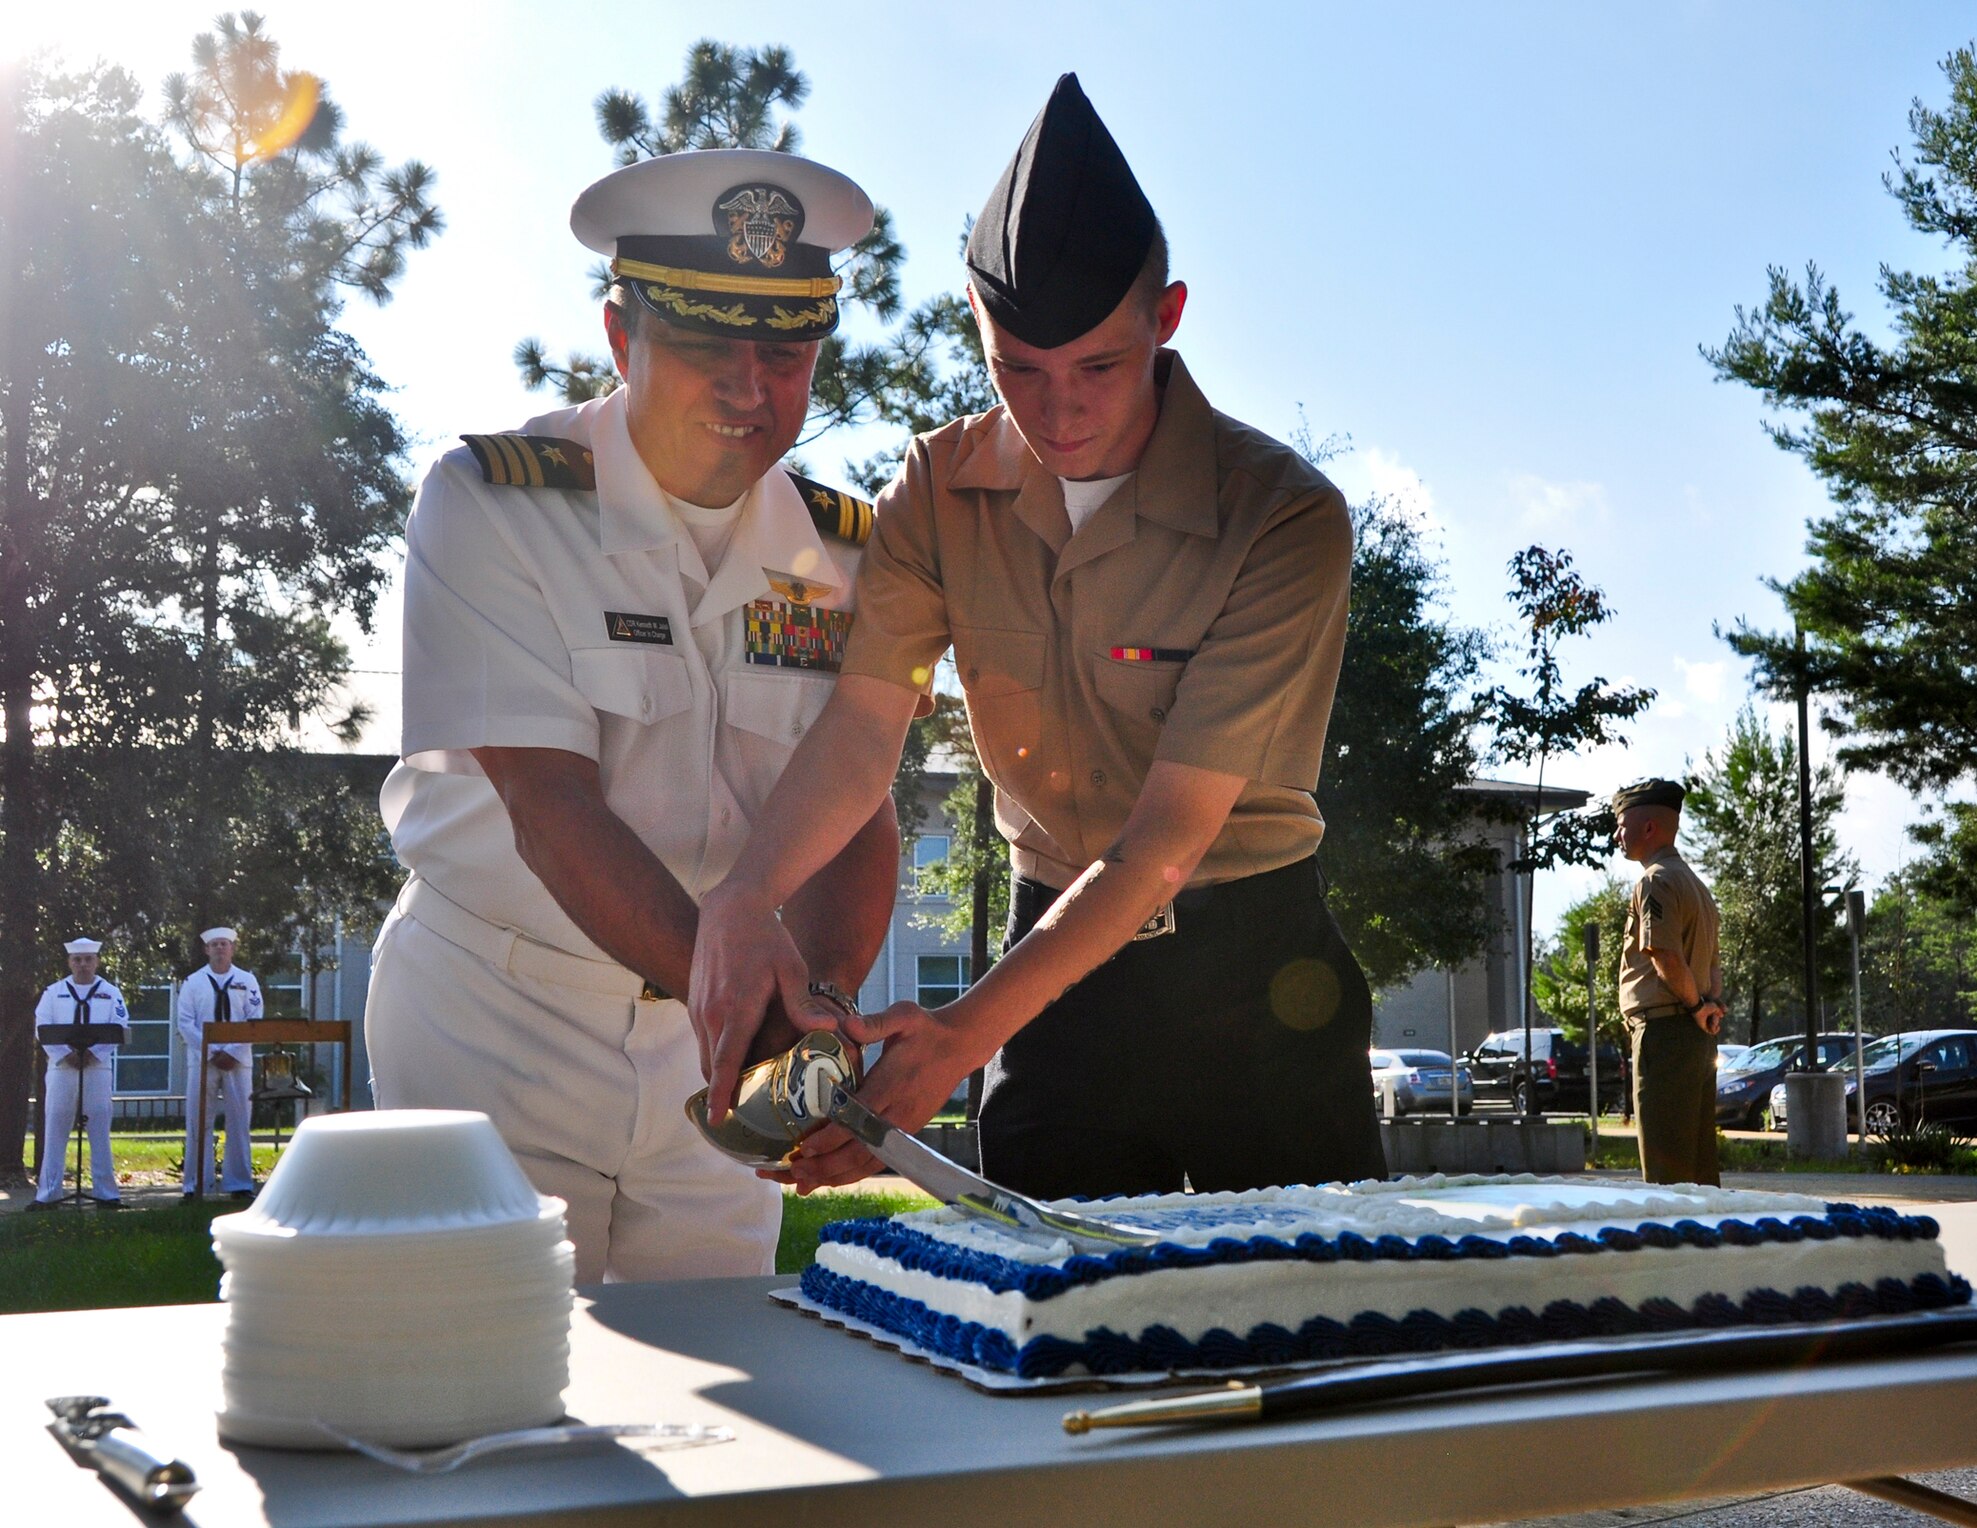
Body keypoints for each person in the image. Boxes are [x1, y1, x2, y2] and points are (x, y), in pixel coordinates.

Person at [691, 75, 1385, 1200]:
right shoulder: (934, 485)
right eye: (1015, 369)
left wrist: (961, 1035)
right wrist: (744, 897)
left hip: (1255, 972)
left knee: (1302, 1326)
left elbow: (1166, 839)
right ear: (975, 325)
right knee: (1050, 1331)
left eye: (1097, 369)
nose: (1055, 412)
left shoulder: (1282, 516)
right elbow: (866, 727)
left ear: (1165, 319)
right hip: (1051, 975)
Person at [365, 146, 901, 1283]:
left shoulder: (853, 553)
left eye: (786, 352)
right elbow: (546, 803)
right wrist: (764, 1026)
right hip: (494, 1015)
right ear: (622, 340)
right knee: (487, 1390)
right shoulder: (492, 502)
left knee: (721, 1418)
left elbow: (859, 813)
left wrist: (824, 1019)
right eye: (707, 345)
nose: (749, 389)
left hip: (711, 1046)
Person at [1614, 777, 1725, 1186]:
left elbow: (1662, 953)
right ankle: (1709, 1246)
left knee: (1666, 1176)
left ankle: (1673, 1249)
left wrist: (1696, 1007)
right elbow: (1713, 964)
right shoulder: (1697, 885)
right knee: (1697, 1169)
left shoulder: (1654, 881)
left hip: (1663, 1032)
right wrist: (1707, 1009)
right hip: (1695, 1035)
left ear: (1648, 828)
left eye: (1622, 825)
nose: (1616, 835)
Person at [30, 938, 129, 1209]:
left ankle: (106, 1194)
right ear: (69, 962)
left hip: (97, 1067)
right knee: (56, 1127)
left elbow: (119, 1025)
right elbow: (43, 1026)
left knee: (99, 1128)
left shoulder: (110, 992)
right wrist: (66, 1054)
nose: (83, 964)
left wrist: (94, 1052)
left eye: (88, 959)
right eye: (77, 960)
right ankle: (48, 1194)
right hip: (63, 1068)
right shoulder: (53, 992)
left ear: (96, 961)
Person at [177, 926, 264, 1200]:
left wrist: (233, 1052)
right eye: (214, 945)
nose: (219, 949)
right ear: (206, 949)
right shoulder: (193, 983)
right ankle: (195, 1185)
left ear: (232, 948)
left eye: (224, 944)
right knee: (198, 1121)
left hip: (238, 1062)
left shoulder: (247, 980)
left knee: (239, 1121)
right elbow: (185, 1022)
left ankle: (239, 1184)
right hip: (203, 1060)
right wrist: (212, 1051)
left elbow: (255, 1019)